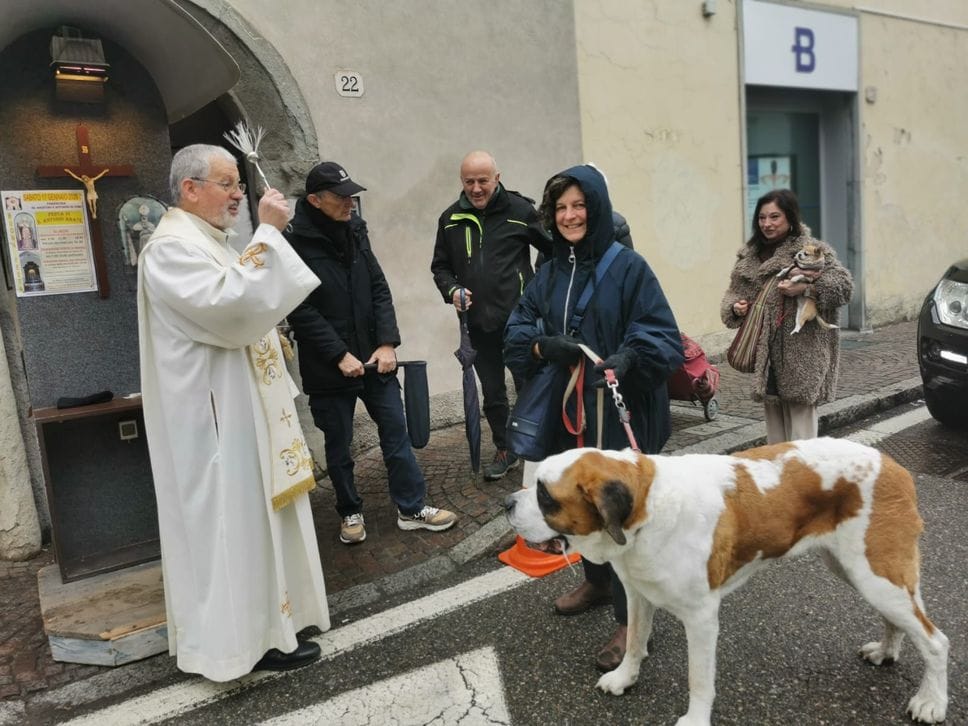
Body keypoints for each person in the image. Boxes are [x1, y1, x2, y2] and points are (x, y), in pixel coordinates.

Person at [137, 144, 328, 681]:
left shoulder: (208, 242)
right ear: (190, 188)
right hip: (214, 423)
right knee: (232, 526)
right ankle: (241, 644)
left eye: (238, 184)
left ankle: (275, 626)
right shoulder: (169, 250)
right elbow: (231, 306)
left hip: (242, 412)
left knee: (258, 521)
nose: (239, 194)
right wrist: (267, 233)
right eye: (227, 184)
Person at [504, 164, 683, 671]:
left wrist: (629, 358)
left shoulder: (629, 268)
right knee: (579, 504)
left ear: (597, 208)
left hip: (623, 410)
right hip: (573, 414)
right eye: (561, 208)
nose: (570, 216)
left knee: (623, 517)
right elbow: (517, 330)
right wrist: (543, 345)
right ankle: (598, 582)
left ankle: (632, 623)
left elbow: (662, 337)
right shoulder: (548, 273)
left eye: (579, 205)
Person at [285, 161, 458, 546]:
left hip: (374, 360)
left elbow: (378, 287)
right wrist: (338, 355)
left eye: (352, 196)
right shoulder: (292, 240)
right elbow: (299, 308)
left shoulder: (356, 230)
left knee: (396, 433)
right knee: (339, 446)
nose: (350, 203)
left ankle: (412, 508)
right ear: (315, 200)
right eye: (341, 197)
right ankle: (350, 511)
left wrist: (386, 343)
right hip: (328, 367)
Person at [431, 151, 550, 480]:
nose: (476, 188)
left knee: (530, 386)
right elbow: (440, 267)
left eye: (483, 180)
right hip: (478, 325)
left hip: (520, 324)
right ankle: (506, 448)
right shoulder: (450, 219)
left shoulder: (521, 211)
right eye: (469, 181)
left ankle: (538, 447)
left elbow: (553, 250)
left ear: (497, 178)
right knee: (493, 394)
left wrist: (538, 291)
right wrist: (452, 290)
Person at [721, 189, 853, 442]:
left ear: (790, 218)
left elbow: (843, 286)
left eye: (774, 217)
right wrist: (736, 307)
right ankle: (780, 469)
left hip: (802, 352)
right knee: (775, 436)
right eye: (762, 218)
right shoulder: (749, 256)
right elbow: (733, 293)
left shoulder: (812, 250)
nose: (767, 224)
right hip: (767, 353)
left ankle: (803, 470)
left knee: (802, 438)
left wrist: (806, 289)